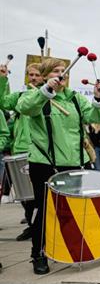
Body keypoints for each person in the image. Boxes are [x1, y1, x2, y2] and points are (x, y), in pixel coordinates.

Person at [16, 58, 100, 274]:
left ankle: (74, 247)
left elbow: (95, 117)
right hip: (44, 164)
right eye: (56, 71)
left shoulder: (75, 98)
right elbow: (25, 108)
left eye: (63, 71)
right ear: (46, 75)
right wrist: (46, 90)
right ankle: (38, 253)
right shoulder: (34, 94)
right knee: (43, 210)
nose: (61, 74)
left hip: (74, 163)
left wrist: (98, 97)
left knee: (74, 210)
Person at [0, 63, 44, 241]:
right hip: (20, 150)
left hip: (38, 150)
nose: (33, 78)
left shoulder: (49, 94)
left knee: (38, 193)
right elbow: (2, 102)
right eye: (30, 75)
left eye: (36, 75)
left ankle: (38, 226)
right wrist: (3, 79)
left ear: (43, 77)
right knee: (24, 195)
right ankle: (31, 225)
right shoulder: (19, 96)